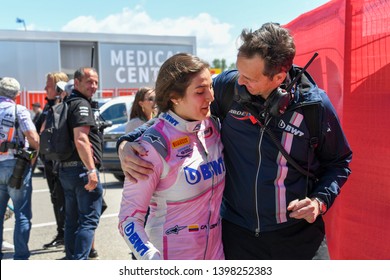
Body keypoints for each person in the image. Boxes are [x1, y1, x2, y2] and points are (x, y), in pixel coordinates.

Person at [116, 23, 353, 260]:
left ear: (279, 77)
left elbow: (340, 162)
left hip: (297, 238)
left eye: (248, 77)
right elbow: (177, 113)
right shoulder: (228, 87)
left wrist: (319, 201)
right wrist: (127, 141)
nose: (239, 81)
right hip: (237, 238)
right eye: (239, 71)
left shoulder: (315, 107)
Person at [118, 53, 225, 260]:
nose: (211, 97)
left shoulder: (213, 126)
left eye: (210, 87)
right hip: (172, 256)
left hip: (216, 253)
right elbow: (128, 220)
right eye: (200, 91)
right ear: (174, 97)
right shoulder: (153, 146)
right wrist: (152, 260)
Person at [58, 67, 103, 260]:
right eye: (89, 82)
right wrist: (91, 169)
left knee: (72, 221)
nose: (93, 86)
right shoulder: (81, 104)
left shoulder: (65, 103)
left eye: (95, 82)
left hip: (66, 170)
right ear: (76, 83)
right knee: (88, 221)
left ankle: (71, 261)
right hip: (82, 170)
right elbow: (81, 139)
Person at [0, 77, 40, 260]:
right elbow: (34, 138)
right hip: (16, 166)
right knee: (22, 214)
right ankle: (21, 257)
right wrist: (32, 158)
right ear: (17, 94)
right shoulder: (19, 110)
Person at [35, 72, 69, 250]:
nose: (44, 89)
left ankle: (65, 234)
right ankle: (61, 232)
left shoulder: (62, 106)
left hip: (60, 162)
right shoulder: (48, 107)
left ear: (57, 88)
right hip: (48, 162)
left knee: (62, 199)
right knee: (55, 198)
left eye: (48, 85)